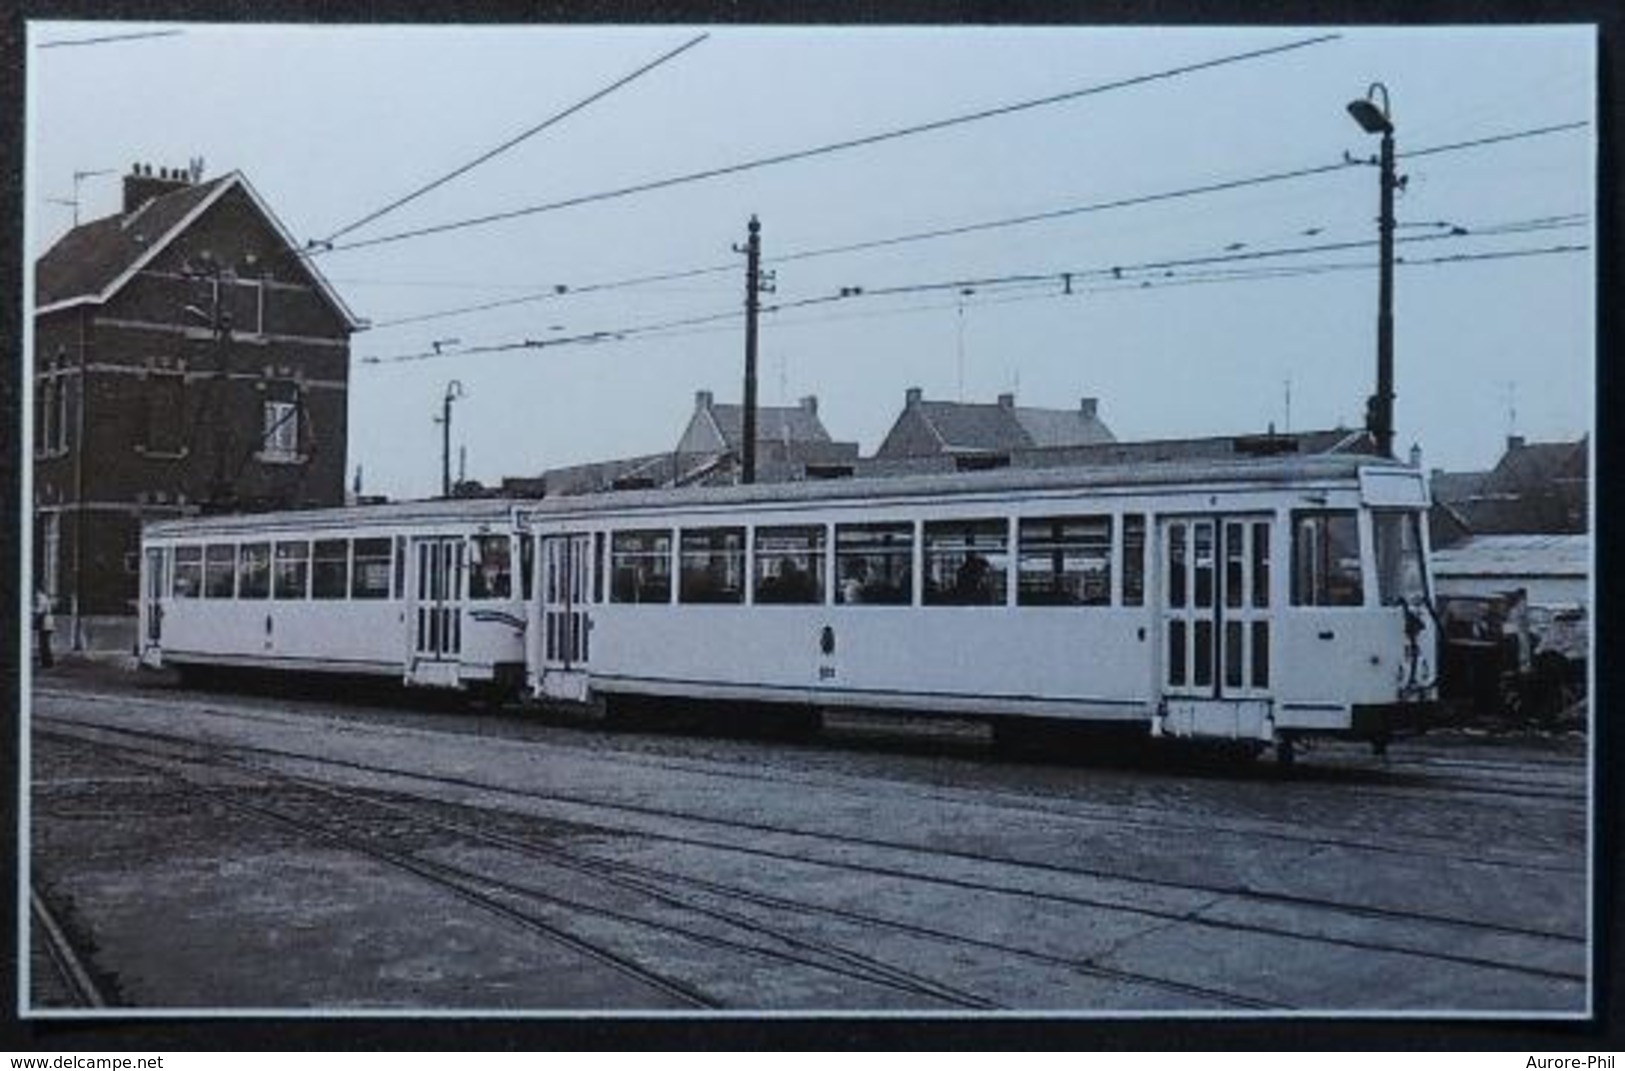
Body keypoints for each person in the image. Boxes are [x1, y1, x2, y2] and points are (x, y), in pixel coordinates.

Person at [33, 588, 54, 669]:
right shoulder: (44, 597)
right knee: (44, 643)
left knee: (44, 643)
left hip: (45, 621)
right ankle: (47, 662)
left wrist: (33, 611)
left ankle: (47, 662)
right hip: (46, 621)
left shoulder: (41, 598)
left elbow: (40, 610)